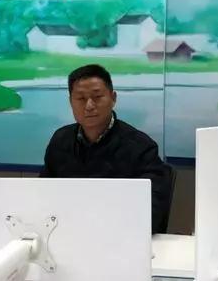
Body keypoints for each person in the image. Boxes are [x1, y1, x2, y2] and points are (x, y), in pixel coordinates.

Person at [40, 64, 172, 234]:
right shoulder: (60, 140)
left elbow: (153, 212)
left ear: (113, 98)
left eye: (97, 97)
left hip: (119, 236)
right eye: (80, 98)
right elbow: (42, 195)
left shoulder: (140, 147)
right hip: (67, 233)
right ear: (70, 102)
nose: (89, 105)